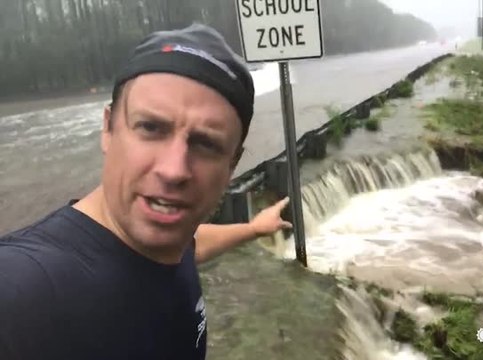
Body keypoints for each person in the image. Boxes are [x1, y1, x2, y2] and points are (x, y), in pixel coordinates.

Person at [0, 23, 292, 360]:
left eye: (206, 144)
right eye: (151, 128)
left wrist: (254, 229)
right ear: (108, 129)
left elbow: (190, 246)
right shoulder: (23, 292)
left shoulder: (170, 238)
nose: (173, 169)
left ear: (232, 164)